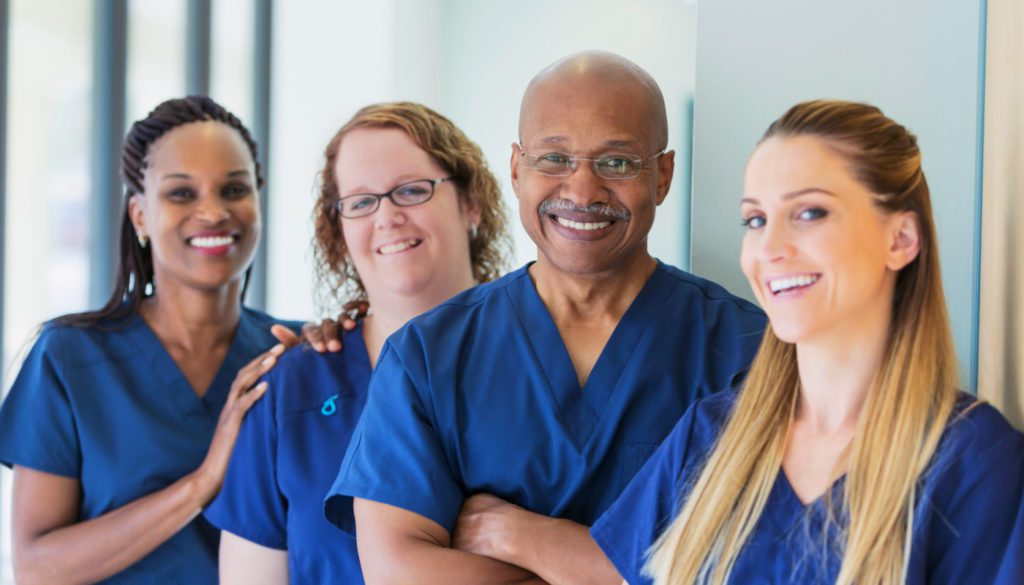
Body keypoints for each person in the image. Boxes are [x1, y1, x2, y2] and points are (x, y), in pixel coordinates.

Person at [324, 51, 767, 584]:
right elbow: (398, 571)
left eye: (617, 162)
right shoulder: (428, 356)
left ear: (663, 175)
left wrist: (522, 536)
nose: (581, 191)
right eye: (553, 160)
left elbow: (759, 565)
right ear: (516, 169)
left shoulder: (747, 351)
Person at [591, 100, 1024, 585]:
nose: (770, 249)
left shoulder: (972, 461)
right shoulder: (706, 437)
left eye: (810, 212)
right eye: (755, 220)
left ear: (900, 239)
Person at [0, 96, 306, 584]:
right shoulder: (69, 357)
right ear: (140, 215)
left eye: (234, 189)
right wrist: (202, 484)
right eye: (182, 194)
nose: (213, 211)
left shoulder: (295, 353)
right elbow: (37, 570)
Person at [204, 101, 512, 584]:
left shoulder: (541, 366)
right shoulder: (289, 389)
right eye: (362, 202)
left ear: (470, 202)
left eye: (411, 191)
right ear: (340, 229)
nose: (387, 216)